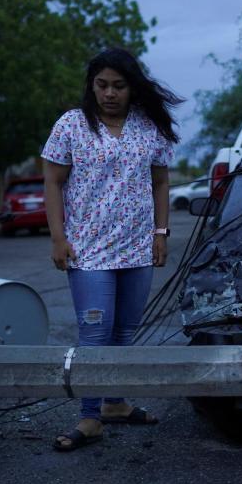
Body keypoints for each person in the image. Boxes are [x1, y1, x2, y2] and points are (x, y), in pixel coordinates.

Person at [42, 48, 181, 452]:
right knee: (95, 332)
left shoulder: (147, 127)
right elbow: (52, 181)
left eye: (118, 86)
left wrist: (160, 233)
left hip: (137, 246)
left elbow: (159, 182)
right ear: (91, 86)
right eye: (101, 85)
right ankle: (90, 416)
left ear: (131, 87)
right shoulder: (72, 125)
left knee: (125, 330)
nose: (109, 93)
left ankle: (116, 404)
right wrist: (57, 238)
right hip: (88, 250)